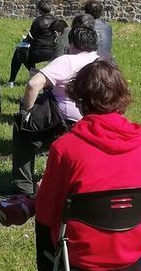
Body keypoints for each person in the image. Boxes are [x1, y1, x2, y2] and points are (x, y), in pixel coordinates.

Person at [0, 60, 141, 271]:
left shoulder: (66, 147)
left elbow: (48, 214)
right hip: (132, 249)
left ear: (80, 100)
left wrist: (34, 202)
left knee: (44, 226)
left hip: (81, 253)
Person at [8, 25, 100, 197]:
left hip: (64, 122)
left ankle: (23, 186)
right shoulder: (103, 62)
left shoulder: (67, 61)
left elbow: (33, 84)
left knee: (23, 130)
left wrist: (27, 113)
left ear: (72, 44)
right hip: (96, 123)